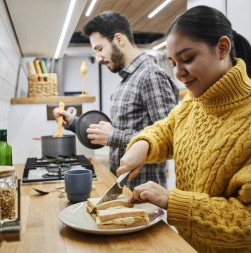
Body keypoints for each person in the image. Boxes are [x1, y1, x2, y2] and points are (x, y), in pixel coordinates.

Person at [116, 5, 251, 253]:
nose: (179, 73)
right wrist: (143, 145)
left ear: (222, 48)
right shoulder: (196, 100)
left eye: (188, 59)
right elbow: (168, 129)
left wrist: (173, 201)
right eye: (173, 62)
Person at [54, 11, 179, 190]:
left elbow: (171, 139)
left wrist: (114, 136)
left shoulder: (151, 76)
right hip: (123, 189)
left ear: (119, 39)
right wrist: (73, 123)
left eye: (99, 49)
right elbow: (115, 132)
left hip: (144, 195)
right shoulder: (125, 81)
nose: (98, 59)